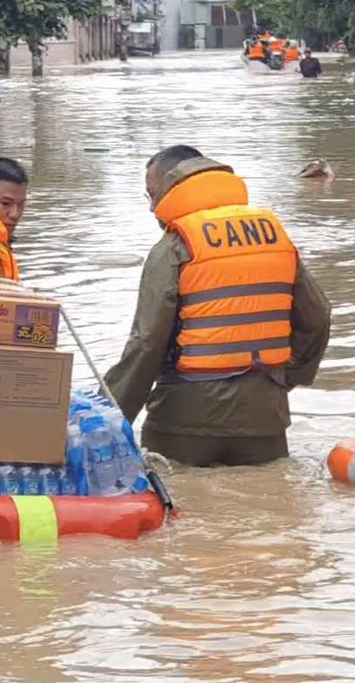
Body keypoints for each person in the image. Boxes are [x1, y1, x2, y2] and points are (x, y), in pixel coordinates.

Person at [104, 145, 332, 467]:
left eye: (153, 195)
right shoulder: (274, 236)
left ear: (173, 189)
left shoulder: (174, 246)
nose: (153, 208)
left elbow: (146, 344)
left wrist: (109, 419)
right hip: (263, 418)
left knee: (181, 506)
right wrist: (283, 379)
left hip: (184, 422)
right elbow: (318, 319)